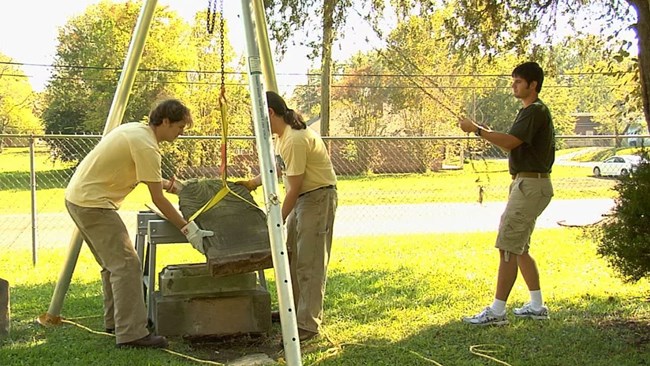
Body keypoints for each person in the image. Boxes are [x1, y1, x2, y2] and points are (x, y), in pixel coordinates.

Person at [64, 99, 214, 348]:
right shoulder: (146, 145)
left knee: (112, 266)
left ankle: (118, 322)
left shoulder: (137, 131)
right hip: (94, 205)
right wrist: (189, 230)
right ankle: (132, 334)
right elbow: (157, 199)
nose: (181, 133)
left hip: (79, 199)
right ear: (165, 121)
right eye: (179, 127)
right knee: (126, 266)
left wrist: (171, 184)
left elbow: (146, 176)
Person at [458, 62, 555, 325]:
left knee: (508, 247)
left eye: (518, 82)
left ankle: (497, 312)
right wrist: (481, 131)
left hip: (530, 185)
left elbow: (510, 143)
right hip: (528, 184)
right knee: (519, 247)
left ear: (533, 85)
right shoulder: (530, 112)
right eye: (512, 81)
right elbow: (511, 143)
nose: (513, 85)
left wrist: (477, 130)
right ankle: (536, 306)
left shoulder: (535, 111)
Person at [237, 91, 338, 342]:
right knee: (291, 257)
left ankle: (307, 325)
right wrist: (252, 183)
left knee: (309, 263)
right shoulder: (282, 138)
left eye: (258, 118)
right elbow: (275, 169)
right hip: (304, 200)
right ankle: (291, 312)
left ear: (270, 113)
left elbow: (293, 188)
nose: (255, 124)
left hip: (317, 198)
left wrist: (276, 221)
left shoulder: (294, 139)